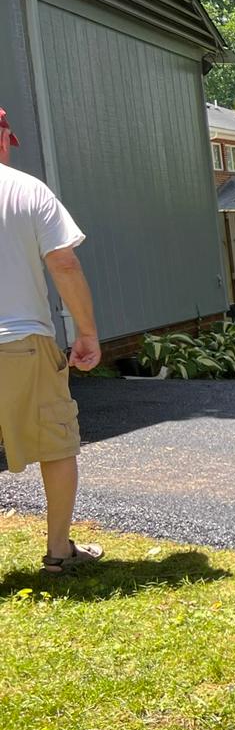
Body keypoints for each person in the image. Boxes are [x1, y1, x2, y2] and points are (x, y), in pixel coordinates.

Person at [0, 106, 102, 573]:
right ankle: (59, 553)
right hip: (23, 342)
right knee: (55, 445)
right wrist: (87, 333)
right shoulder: (26, 190)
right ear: (3, 139)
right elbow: (63, 264)